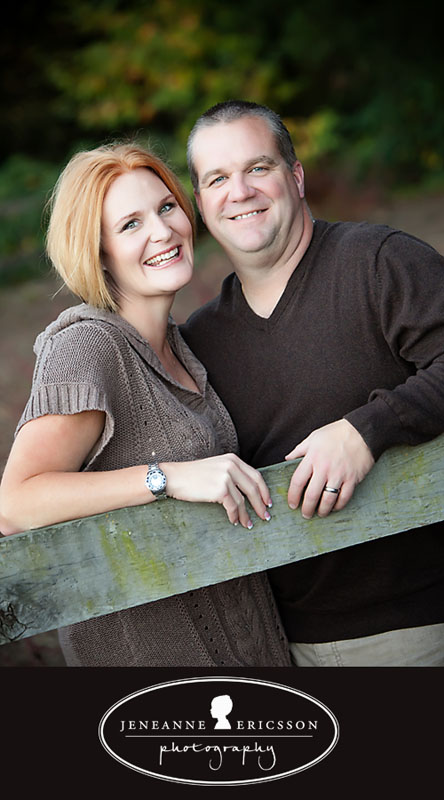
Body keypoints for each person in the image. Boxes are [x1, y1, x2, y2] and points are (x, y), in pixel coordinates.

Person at [0, 141, 291, 667]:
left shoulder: (182, 346)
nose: (162, 231)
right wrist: (167, 478)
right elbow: (16, 504)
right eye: (130, 224)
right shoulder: (88, 346)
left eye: (166, 207)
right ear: (98, 251)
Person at [181, 100, 444, 667]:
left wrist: (366, 430)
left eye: (258, 168)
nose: (240, 191)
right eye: (217, 179)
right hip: (281, 647)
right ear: (201, 205)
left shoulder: (378, 263)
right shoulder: (199, 343)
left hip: (416, 626)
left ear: (295, 177)